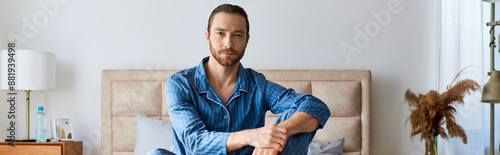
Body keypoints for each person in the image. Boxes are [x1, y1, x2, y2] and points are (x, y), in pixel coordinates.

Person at [149, 4, 331, 155]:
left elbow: (316, 106)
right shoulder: (180, 84)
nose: (228, 43)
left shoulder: (258, 85)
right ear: (207, 37)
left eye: (237, 35)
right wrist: (253, 136)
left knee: (295, 120)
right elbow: (194, 142)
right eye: (220, 33)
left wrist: (274, 136)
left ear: (246, 40)